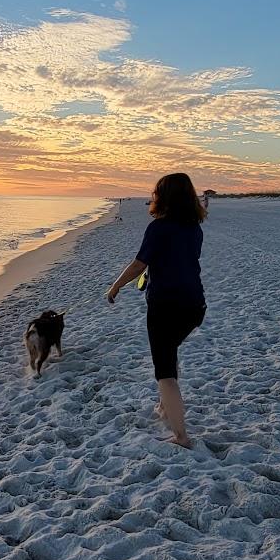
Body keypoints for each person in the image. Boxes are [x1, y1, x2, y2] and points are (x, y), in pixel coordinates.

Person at [106, 172, 207, 447]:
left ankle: (181, 436)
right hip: (195, 307)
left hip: (166, 307)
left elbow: (139, 265)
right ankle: (164, 408)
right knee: (169, 353)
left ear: (163, 197)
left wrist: (115, 286)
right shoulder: (194, 228)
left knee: (164, 371)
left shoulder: (159, 228)